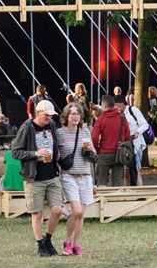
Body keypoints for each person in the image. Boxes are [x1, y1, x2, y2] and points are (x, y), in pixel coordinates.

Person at [10, 99, 64, 258]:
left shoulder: (52, 125)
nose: (49, 118)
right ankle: (40, 244)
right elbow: (16, 152)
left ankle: (48, 238)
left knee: (57, 209)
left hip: (52, 175)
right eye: (47, 115)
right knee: (37, 213)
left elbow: (55, 146)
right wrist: (35, 154)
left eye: (51, 115)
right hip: (34, 178)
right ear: (39, 112)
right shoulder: (27, 127)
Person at [56, 102, 95, 256]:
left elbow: (94, 156)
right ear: (66, 116)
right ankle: (66, 241)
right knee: (76, 210)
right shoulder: (59, 133)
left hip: (85, 175)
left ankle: (76, 245)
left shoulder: (85, 131)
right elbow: (55, 155)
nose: (76, 116)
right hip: (69, 175)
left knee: (81, 214)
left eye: (78, 114)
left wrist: (90, 151)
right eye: (72, 113)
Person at [91, 95, 127, 187]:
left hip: (104, 153)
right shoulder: (122, 117)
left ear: (104, 105)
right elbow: (127, 137)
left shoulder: (101, 119)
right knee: (118, 180)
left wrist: (97, 149)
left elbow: (94, 137)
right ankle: (118, 200)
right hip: (119, 153)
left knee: (102, 180)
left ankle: (103, 200)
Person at [117, 95, 148, 186]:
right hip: (125, 145)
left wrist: (138, 132)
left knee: (136, 170)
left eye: (117, 105)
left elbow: (144, 124)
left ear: (122, 104)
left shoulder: (133, 111)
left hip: (136, 143)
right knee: (126, 171)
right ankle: (127, 191)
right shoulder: (118, 113)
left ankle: (139, 191)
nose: (116, 108)